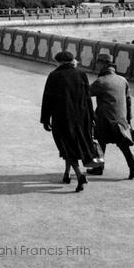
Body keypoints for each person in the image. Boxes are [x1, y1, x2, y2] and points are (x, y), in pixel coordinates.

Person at [41, 51, 97, 192]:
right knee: (73, 145)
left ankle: (79, 175)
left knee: (66, 147)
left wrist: (45, 119)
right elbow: (88, 98)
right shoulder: (81, 74)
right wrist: (91, 118)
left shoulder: (54, 76)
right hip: (81, 117)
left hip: (62, 118)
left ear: (58, 61)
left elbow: (47, 100)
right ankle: (67, 174)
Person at [88, 54, 134, 179]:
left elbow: (86, 93)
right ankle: (133, 167)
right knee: (123, 145)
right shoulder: (122, 80)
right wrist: (128, 119)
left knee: (100, 143)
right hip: (120, 120)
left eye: (98, 63)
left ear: (103, 64)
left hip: (104, 119)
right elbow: (128, 101)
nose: (97, 65)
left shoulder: (101, 81)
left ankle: (98, 167)